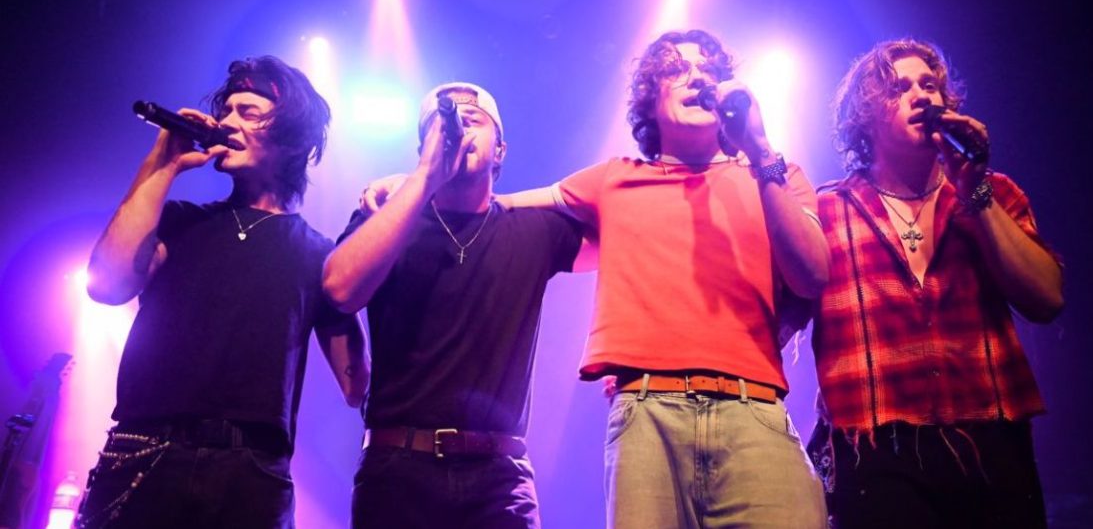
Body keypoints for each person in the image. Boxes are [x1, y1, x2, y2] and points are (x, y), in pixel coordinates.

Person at [491, 29, 829, 528]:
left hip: (754, 407)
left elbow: (814, 275)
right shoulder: (614, 178)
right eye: (677, 69)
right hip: (646, 413)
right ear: (650, 99)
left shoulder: (775, 174)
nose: (697, 78)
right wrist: (417, 187)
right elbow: (497, 207)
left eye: (708, 70)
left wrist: (759, 149)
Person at [78, 55, 369, 529]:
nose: (227, 122)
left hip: (251, 472)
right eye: (226, 110)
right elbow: (107, 284)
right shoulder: (179, 221)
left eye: (248, 112)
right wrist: (162, 164)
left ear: (295, 139)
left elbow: (357, 387)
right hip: (144, 452)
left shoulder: (321, 256)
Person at [807, 38, 1064, 528]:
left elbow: (1047, 298)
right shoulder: (827, 210)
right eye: (899, 88)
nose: (921, 96)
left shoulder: (992, 191)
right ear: (865, 116)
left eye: (929, 85)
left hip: (991, 438)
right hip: (876, 449)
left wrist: (975, 192)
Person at [322, 82, 582, 529]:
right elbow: (340, 289)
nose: (459, 129)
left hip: (499, 478)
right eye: (443, 125)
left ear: (500, 150)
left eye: (473, 121)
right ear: (423, 147)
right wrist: (422, 178)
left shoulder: (533, 229)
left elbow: (619, 223)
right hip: (397, 470)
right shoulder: (384, 220)